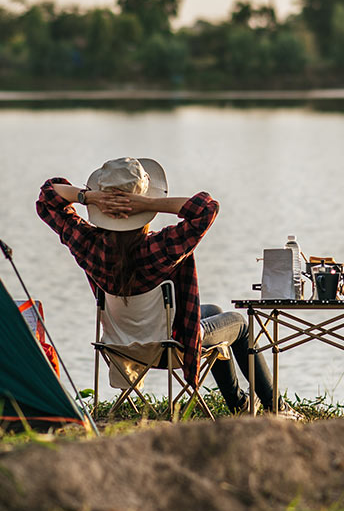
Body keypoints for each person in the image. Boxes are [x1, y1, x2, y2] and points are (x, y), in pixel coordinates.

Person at [36, 157, 296, 417]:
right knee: (240, 323)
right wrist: (147, 203)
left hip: (121, 346)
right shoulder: (160, 246)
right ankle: (277, 408)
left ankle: (240, 404)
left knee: (214, 309)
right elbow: (207, 208)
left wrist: (88, 198)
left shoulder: (87, 244)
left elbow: (48, 195)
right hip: (172, 346)